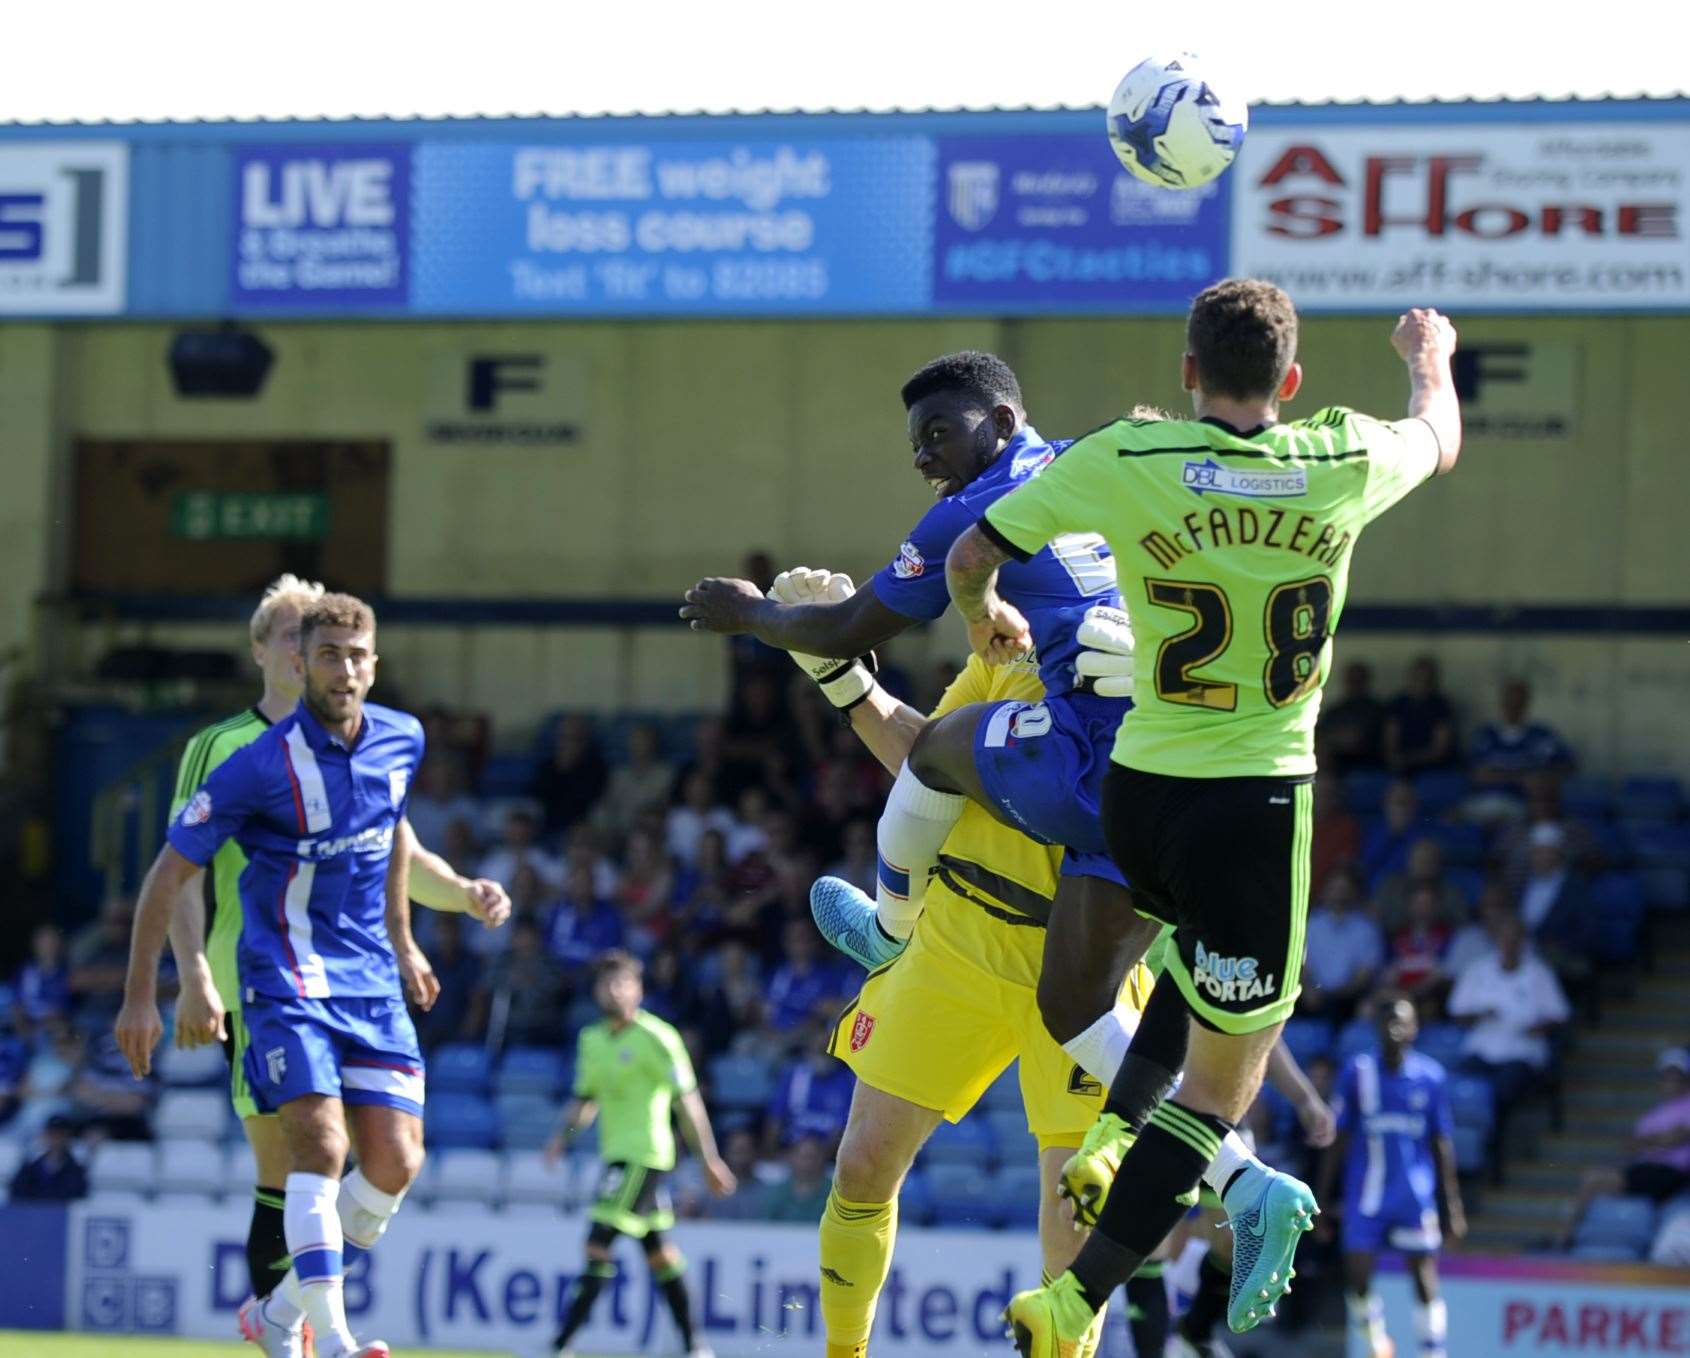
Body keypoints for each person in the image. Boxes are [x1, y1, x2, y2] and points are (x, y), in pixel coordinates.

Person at [950, 283, 1462, 1350]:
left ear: (1187, 373)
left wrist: (983, 614)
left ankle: (1106, 1135)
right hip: (1255, 809)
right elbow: (1438, 436)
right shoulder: (1339, 457)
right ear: (1290, 381)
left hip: (1138, 794)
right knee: (1219, 1094)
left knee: (1179, 962)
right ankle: (1075, 1295)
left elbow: (971, 552)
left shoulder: (1120, 457)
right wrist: (1428, 355)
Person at [753, 566, 1328, 1358]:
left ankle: (889, 921)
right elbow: (926, 759)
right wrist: (836, 669)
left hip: (1088, 963)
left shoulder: (1183, 691)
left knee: (1071, 1237)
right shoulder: (1018, 644)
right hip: (960, 937)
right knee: (861, 1165)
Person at [680, 353, 1164, 1110]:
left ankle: (888, 927)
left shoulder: (974, 513)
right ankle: (1241, 1177)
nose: (923, 456)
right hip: (1173, 772)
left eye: (939, 432)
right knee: (1078, 1018)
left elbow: (847, 626)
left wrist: (751, 617)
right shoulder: (1091, 461)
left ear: (1003, 423)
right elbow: (1166, 449)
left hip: (1093, 780)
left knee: (937, 752)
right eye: (915, 441)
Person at [117, 575, 510, 1342]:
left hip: (361, 976)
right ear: (271, 650)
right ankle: (322, 1340)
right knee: (302, 1159)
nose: (323, 660)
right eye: (306, 642)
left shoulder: (394, 739)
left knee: (380, 1162)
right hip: (261, 980)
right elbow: (175, 873)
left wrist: (441, 910)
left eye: (341, 648)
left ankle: (276, 1318)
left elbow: (394, 844)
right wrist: (191, 976)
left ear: (370, 660)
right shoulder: (230, 751)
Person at [543, 950, 734, 1358]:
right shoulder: (592, 1040)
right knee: (660, 1255)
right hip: (617, 1154)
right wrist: (564, 1136)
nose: (613, 990)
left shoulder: (658, 1038)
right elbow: (585, 1100)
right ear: (596, 991)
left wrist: (708, 1160)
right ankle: (696, 1346)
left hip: (644, 1155)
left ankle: (559, 1345)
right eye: (606, 983)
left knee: (597, 1243)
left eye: (622, 982)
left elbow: (688, 1103)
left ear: (638, 990)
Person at [1319, 995, 1465, 1358]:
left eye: (1403, 1021)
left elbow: (1440, 1145)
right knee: (1357, 1278)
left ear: (1415, 1028)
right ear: (1376, 1028)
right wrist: (1322, 1196)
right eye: (1388, 1021)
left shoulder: (1430, 1077)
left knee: (1424, 1277)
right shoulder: (1357, 1073)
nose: (1395, 1028)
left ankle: (1433, 1353)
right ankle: (1376, 1346)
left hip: (1414, 1196)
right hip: (1366, 1194)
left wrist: (1452, 1207)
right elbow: (1340, 1139)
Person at [1559, 1047, 1690, 1248]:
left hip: (1670, 1174)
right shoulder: (1654, 1113)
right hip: (1648, 1170)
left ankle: (1566, 1238)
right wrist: (1654, 1140)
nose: (1670, 1083)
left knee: (1594, 1180)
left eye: (1676, 1077)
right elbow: (1631, 1145)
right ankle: (1576, 1238)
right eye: (1666, 1077)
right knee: (1593, 1178)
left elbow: (1673, 1138)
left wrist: (1650, 1141)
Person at [1447, 912, 1569, 1114]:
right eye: (1505, 937)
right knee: (1464, 1084)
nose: (1510, 944)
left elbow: (1559, 1015)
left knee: (1505, 1089)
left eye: (1515, 938)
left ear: (1523, 941)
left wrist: (1538, 1027)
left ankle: (1496, 1141)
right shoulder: (1477, 969)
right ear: (1497, 939)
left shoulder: (1539, 973)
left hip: (1521, 1050)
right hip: (1482, 1046)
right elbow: (1456, 1012)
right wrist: (1480, 1014)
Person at [1299, 866, 1384, 1020]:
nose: (1339, 894)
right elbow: (1303, 966)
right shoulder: (1311, 924)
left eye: (1344, 889)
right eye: (1335, 888)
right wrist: (1309, 989)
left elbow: (1365, 974)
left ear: (1354, 892)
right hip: (1311, 997)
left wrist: (1337, 996)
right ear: (1325, 890)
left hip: (1350, 1000)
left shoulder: (1366, 928)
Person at [1469, 678, 1574, 798]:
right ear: (1501, 703)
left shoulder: (1541, 736)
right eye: (1509, 702)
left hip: (1530, 806)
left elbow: (1568, 767)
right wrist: (1522, 778)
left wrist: (1543, 777)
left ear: (1526, 704)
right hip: (1489, 801)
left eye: (1518, 702)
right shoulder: (1485, 736)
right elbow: (1477, 776)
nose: (1513, 708)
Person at [1384, 657, 1458, 774]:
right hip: (1400, 766)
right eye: (1418, 678)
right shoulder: (1397, 704)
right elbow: (1390, 741)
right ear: (1410, 678)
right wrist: (1396, 759)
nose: (1422, 682)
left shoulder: (1441, 706)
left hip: (1434, 768)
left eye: (1427, 679)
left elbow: (1440, 749)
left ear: (1434, 681)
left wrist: (1411, 759)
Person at [1318, 660, 1387, 774]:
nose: (1355, 684)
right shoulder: (1334, 711)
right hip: (1335, 769)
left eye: (1359, 680)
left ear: (1366, 681)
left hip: (1371, 766)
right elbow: (1323, 738)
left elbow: (1368, 742)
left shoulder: (1377, 710)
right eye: (1352, 680)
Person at [8, 1113, 88, 1202]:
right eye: (52, 1134)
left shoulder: (76, 1170)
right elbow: (17, 1194)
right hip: (32, 1213)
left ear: (68, 1137)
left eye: (61, 1134)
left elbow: (77, 1198)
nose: (56, 1138)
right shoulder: (30, 1168)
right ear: (45, 1135)